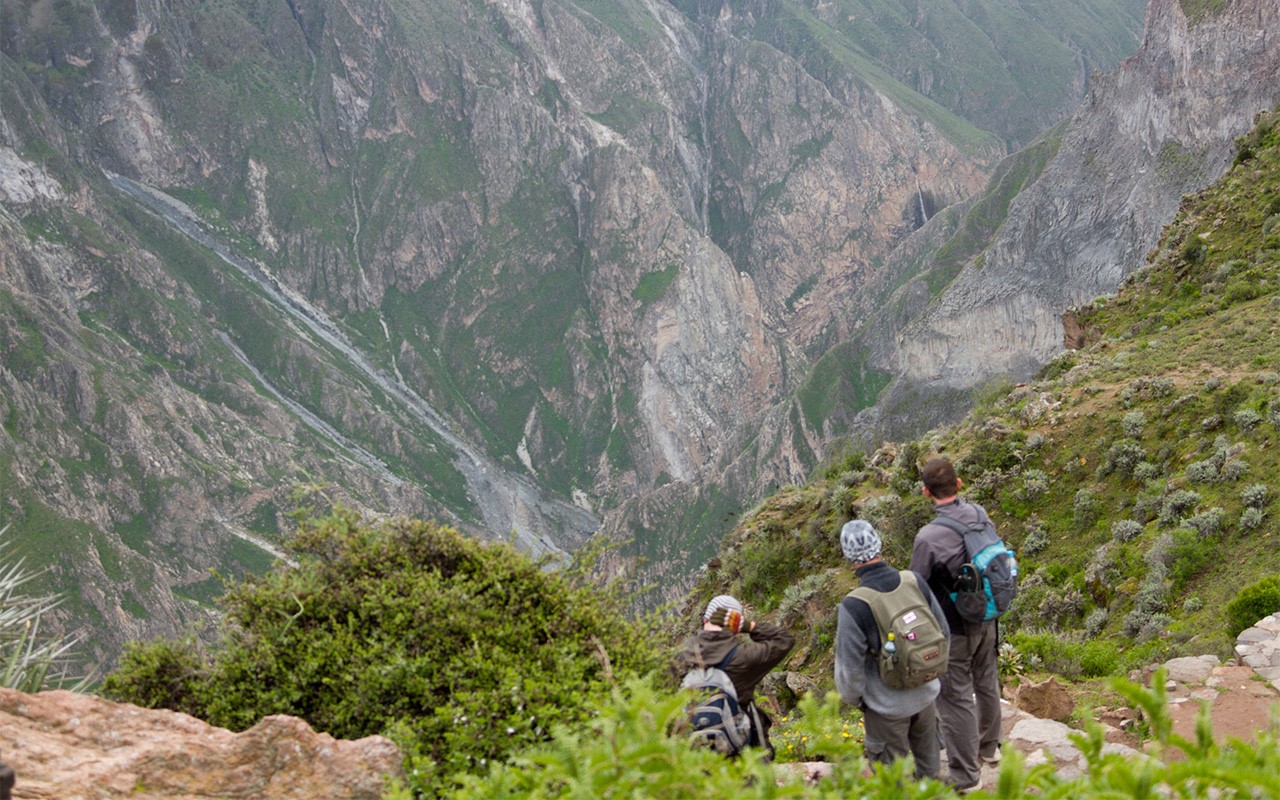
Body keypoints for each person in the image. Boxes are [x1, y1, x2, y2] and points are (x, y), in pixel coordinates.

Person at [911, 457, 1002, 793]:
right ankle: (990, 748)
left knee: (956, 698)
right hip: (988, 616)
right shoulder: (980, 515)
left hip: (954, 627)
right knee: (988, 681)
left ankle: (965, 777)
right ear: (959, 484)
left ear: (925, 492)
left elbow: (916, 585)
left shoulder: (928, 537)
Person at [835, 520, 950, 779]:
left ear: (848, 556)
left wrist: (860, 702)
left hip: (886, 708)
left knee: (894, 783)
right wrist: (931, 672)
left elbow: (849, 673)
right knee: (931, 774)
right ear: (879, 544)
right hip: (927, 695)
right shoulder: (914, 581)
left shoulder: (854, 605)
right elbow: (943, 632)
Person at [674, 594, 795, 757]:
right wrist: (750, 626)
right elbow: (784, 640)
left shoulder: (680, 657)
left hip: (693, 756)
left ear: (704, 621)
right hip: (742, 755)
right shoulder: (744, 658)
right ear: (736, 628)